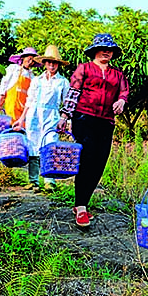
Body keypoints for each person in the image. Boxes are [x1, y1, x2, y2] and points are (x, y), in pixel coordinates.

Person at [57, 34, 129, 227]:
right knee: (87, 159)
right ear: (94, 50)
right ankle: (81, 206)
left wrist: (122, 100)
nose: (106, 51)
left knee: (100, 161)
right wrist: (65, 116)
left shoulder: (118, 74)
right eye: (102, 48)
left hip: (106, 121)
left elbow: (123, 91)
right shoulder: (84, 68)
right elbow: (74, 92)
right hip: (84, 117)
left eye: (110, 49)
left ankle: (83, 202)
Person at [12, 45, 70, 193]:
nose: (51, 65)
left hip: (52, 115)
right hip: (34, 115)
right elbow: (30, 101)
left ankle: (49, 181)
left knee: (50, 145)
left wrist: (67, 120)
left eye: (54, 63)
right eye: (49, 62)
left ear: (58, 64)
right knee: (33, 146)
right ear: (44, 63)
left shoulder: (62, 82)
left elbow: (68, 103)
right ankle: (33, 180)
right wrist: (21, 119)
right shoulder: (37, 80)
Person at [0, 47, 39, 123]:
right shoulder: (13, 69)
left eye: (33, 60)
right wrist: (1, 99)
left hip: (23, 106)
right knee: (10, 124)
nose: (30, 61)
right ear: (23, 58)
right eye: (29, 58)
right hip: (12, 103)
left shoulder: (32, 76)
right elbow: (4, 83)